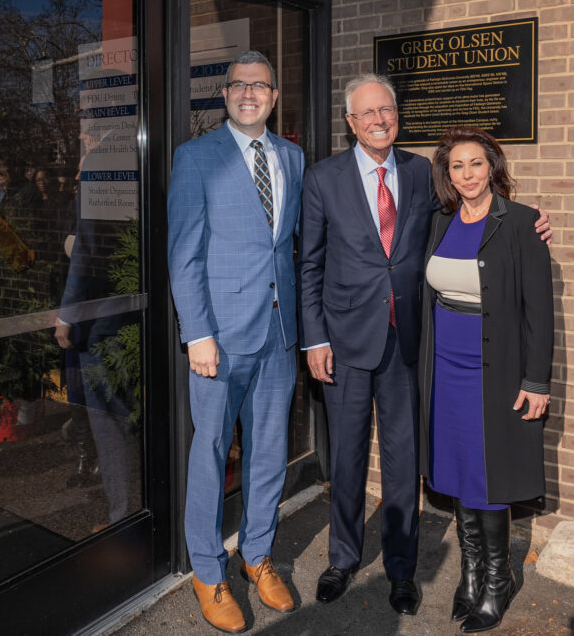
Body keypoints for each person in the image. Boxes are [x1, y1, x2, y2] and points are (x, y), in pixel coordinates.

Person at [299, 74, 552, 616]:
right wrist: (313, 337)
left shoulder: (422, 174)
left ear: (397, 114)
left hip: (411, 344)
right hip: (343, 342)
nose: (378, 120)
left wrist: (533, 225)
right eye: (367, 113)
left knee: (402, 461)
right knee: (345, 458)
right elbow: (310, 264)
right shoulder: (322, 179)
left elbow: (476, 221)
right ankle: (342, 559)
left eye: (386, 110)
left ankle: (401, 570)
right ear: (351, 122)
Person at [167, 50, 305, 633]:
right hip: (219, 339)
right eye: (239, 85)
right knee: (211, 451)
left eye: (261, 86)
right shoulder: (196, 157)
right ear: (224, 94)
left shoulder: (293, 158)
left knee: (269, 452)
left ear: (275, 97)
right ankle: (207, 568)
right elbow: (184, 252)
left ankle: (256, 555)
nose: (250, 93)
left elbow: (293, 246)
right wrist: (196, 332)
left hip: (278, 334)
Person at [419, 127, 553, 633]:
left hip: (493, 369)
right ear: (447, 174)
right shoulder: (439, 222)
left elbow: (540, 310)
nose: (468, 174)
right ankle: (471, 573)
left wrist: (536, 381)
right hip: (445, 366)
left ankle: (500, 578)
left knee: (488, 471)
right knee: (455, 468)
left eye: (476, 164)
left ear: (492, 168)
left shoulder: (520, 223)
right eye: (457, 166)